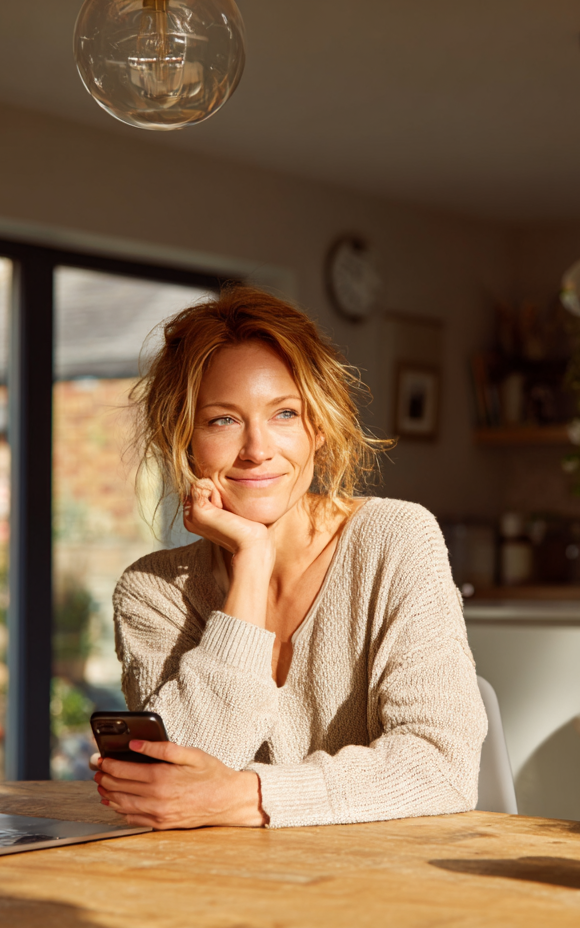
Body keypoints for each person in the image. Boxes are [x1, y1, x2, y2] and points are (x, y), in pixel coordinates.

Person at [93, 286, 487, 829]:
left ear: (318, 427)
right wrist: (251, 561)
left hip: (383, 886)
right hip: (219, 887)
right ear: (184, 441)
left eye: (284, 413)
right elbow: (177, 783)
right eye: (222, 421)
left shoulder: (396, 539)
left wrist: (246, 798)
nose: (257, 449)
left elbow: (442, 766)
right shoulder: (152, 592)